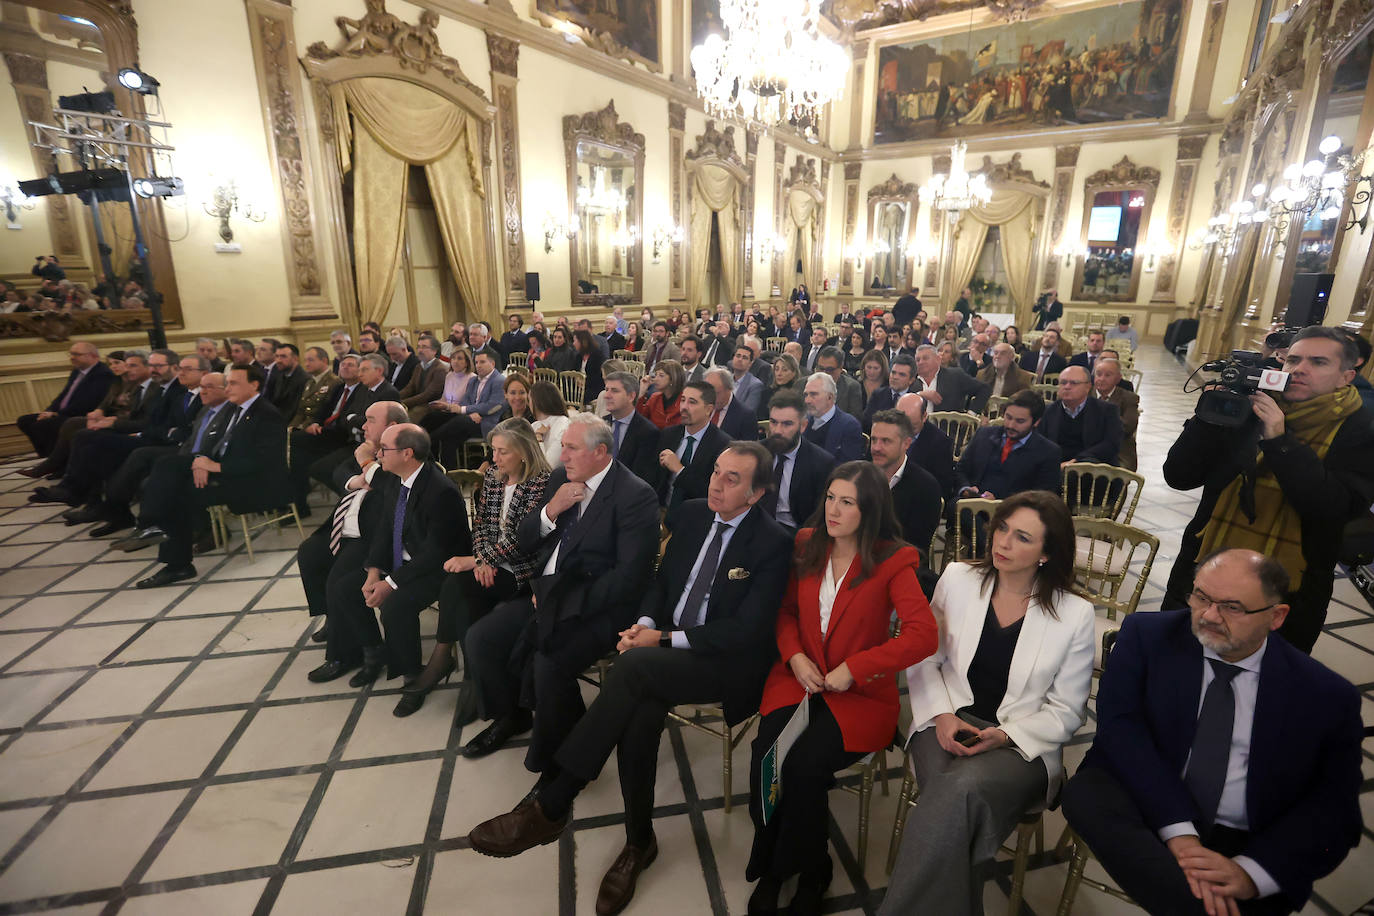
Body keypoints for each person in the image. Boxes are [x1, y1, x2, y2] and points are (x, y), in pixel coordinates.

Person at [467, 444, 793, 913]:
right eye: (716, 472)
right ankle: (639, 843)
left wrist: (658, 641)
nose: (716, 484)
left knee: (635, 669)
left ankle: (554, 803)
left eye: (732, 479)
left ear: (758, 493)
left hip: (725, 662)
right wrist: (645, 622)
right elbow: (662, 583)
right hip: (663, 650)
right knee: (638, 713)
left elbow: (746, 631)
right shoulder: (693, 515)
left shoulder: (773, 542)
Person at [1063, 548, 1364, 916]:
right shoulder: (1149, 636)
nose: (1207, 615)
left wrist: (1252, 873)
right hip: (1151, 799)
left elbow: (1334, 810)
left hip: (1247, 836)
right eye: (1201, 596)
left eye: (1231, 607)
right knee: (1088, 791)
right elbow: (1121, 730)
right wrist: (1181, 834)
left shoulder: (1327, 697)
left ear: (1276, 616)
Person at [882, 491, 1095, 915]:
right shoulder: (958, 578)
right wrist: (942, 716)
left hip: (1019, 744)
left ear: (1047, 553)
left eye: (1021, 537)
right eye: (1001, 528)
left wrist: (1004, 734)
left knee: (958, 789)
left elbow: (1067, 712)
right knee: (960, 801)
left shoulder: (1074, 614)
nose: (1002, 542)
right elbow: (927, 658)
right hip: (945, 719)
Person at [746, 462, 937, 915]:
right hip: (801, 681)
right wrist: (794, 656)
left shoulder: (893, 559)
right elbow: (786, 611)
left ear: (868, 509)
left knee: (805, 769)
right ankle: (774, 865)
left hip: (858, 697)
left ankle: (813, 872)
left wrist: (858, 666)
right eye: (830, 498)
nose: (832, 510)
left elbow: (922, 634)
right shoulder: (806, 544)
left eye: (846, 502)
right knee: (766, 758)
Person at [461, 414, 660, 764]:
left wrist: (558, 599)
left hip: (594, 604)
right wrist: (550, 511)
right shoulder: (559, 478)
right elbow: (523, 541)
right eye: (563, 446)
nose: (562, 455)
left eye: (570, 448)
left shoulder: (635, 495)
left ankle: (558, 760)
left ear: (599, 452)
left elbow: (629, 577)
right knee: (481, 638)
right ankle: (512, 715)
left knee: (548, 664)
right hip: (544, 591)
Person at [1162, 326, 1374, 654]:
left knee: (1263, 683)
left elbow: (1334, 508)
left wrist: (1279, 440)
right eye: (1293, 360)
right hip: (1205, 566)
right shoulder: (1250, 404)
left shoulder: (1360, 429)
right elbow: (1179, 476)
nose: (1300, 369)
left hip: (1288, 589)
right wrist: (1208, 419)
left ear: (1346, 377)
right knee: (1178, 662)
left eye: (1318, 362)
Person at [396, 419, 551, 718]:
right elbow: (480, 525)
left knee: (455, 585)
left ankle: (442, 660)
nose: (494, 458)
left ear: (523, 451)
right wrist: (483, 558)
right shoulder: (494, 476)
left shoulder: (541, 482)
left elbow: (526, 539)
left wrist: (481, 561)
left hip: (523, 568)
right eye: (493, 450)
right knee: (466, 601)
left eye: (502, 451)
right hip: (491, 563)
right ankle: (473, 680)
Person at [334, 424, 468, 686]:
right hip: (404, 560)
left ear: (407, 453)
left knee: (395, 606)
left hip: (438, 568)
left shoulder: (442, 492)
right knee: (344, 589)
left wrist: (391, 583)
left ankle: (412, 674)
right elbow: (386, 529)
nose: (378, 455)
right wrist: (374, 572)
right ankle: (374, 652)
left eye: (384, 449)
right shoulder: (396, 480)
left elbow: (435, 552)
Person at [132, 364, 289, 588]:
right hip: (226, 470)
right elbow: (213, 443)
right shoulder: (235, 409)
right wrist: (200, 462)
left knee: (178, 494)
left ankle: (174, 560)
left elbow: (264, 462)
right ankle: (151, 526)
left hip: (254, 483)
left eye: (234, 382)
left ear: (254, 385)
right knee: (167, 463)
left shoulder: (266, 414)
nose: (228, 387)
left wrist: (215, 467)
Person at [298, 400, 408, 651]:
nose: (363, 426)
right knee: (310, 552)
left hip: (376, 533)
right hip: (350, 522)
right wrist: (356, 479)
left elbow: (394, 491)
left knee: (339, 580)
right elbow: (339, 471)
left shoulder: (409, 446)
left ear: (392, 425)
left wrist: (368, 467)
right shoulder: (369, 447)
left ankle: (354, 651)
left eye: (370, 420)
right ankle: (332, 616)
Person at [957, 389, 1062, 500]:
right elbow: (961, 470)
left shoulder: (1048, 452)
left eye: (1020, 421)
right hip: (971, 502)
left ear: (1036, 422)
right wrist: (966, 489)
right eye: (1008, 417)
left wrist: (998, 502)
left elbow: (1042, 496)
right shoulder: (983, 434)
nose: (1011, 425)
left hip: (1014, 510)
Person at [17, 341, 115, 458]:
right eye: (71, 354)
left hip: (81, 414)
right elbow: (64, 395)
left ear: (92, 356)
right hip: (65, 412)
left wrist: (56, 414)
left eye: (77, 354)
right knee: (24, 421)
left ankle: (57, 460)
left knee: (42, 426)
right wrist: (49, 410)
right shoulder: (76, 371)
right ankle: (48, 457)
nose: (72, 358)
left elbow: (88, 402)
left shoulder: (103, 374)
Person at [868, 410, 942, 559]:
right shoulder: (860, 476)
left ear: (906, 443)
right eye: (874, 440)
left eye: (886, 441)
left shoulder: (926, 487)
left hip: (898, 565)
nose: (876, 447)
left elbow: (915, 548)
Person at [761, 390, 835, 533]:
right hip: (756, 527)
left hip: (794, 532)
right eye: (773, 422)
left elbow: (818, 516)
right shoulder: (757, 453)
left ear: (803, 426)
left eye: (787, 424)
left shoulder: (821, 463)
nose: (777, 431)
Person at [657, 381, 730, 511]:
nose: (684, 407)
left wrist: (679, 470)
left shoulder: (722, 445)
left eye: (692, 402)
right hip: (661, 512)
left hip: (696, 518)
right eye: (683, 400)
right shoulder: (668, 435)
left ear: (708, 409)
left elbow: (709, 491)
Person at [428, 350, 507, 469]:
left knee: (458, 421)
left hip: (486, 422)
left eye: (482, 362)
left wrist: (467, 411)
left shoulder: (499, 381)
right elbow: (465, 401)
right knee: (438, 420)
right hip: (470, 419)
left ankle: (428, 440)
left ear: (492, 364)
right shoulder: (474, 380)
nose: (478, 365)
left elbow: (492, 406)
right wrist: (471, 412)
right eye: (476, 362)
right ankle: (449, 473)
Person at [1038, 365, 1124, 466]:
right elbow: (1039, 442)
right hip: (1055, 467)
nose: (1067, 387)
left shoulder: (1107, 410)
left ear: (1088, 387)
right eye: (1063, 383)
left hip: (1093, 468)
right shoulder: (1048, 411)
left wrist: (1076, 462)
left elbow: (1111, 444)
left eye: (1074, 383)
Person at [602, 371, 660, 486]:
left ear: (631, 396)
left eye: (614, 391)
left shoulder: (648, 432)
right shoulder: (601, 424)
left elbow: (641, 477)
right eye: (606, 389)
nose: (607, 395)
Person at [802, 372, 865, 462]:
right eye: (806, 395)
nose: (807, 400)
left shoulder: (849, 426)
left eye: (813, 394)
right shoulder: (803, 421)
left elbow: (847, 468)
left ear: (830, 397)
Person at [912, 344, 990, 414]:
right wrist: (919, 394)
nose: (920, 362)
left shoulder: (955, 376)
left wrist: (971, 414)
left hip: (947, 428)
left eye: (925, 358)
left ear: (938, 359)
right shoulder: (910, 379)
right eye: (917, 360)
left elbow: (984, 389)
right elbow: (901, 397)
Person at [1094, 358, 1140, 471]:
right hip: (1085, 447)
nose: (1102, 379)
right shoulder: (1085, 393)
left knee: (1116, 475)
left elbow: (1127, 427)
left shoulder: (1129, 398)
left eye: (1108, 375)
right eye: (1098, 374)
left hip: (1118, 449)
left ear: (1118, 378)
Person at [396, 333, 447, 423]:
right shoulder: (419, 366)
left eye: (424, 347)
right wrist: (395, 397)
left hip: (431, 405)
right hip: (418, 403)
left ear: (434, 351)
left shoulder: (440, 369)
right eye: (419, 347)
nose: (420, 350)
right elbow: (410, 388)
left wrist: (403, 403)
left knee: (405, 417)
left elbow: (428, 395)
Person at [862, 353, 915, 430]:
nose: (895, 377)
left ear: (911, 380)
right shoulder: (878, 395)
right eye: (893, 373)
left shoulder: (914, 400)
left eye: (902, 375)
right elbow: (867, 422)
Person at [705, 367, 757, 442]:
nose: (711, 398)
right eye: (707, 393)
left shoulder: (746, 416)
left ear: (729, 389)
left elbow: (748, 449)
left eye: (716, 393)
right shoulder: (702, 407)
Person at [815, 347, 864, 420]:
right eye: (821, 368)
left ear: (841, 368)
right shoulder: (802, 384)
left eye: (830, 370)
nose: (824, 373)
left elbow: (854, 421)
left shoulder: (851, 387)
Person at [636, 358, 684, 429]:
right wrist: (641, 393)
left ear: (673, 379)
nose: (655, 379)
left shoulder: (684, 400)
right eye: (656, 375)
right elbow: (638, 421)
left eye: (661, 375)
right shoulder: (655, 398)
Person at [759, 353, 804, 420]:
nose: (779, 374)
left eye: (784, 370)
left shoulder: (799, 394)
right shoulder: (766, 393)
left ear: (794, 373)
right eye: (776, 369)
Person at [730, 345, 765, 413]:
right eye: (738, 356)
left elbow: (748, 412)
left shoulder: (755, 385)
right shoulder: (725, 380)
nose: (740, 359)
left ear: (750, 363)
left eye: (745, 358)